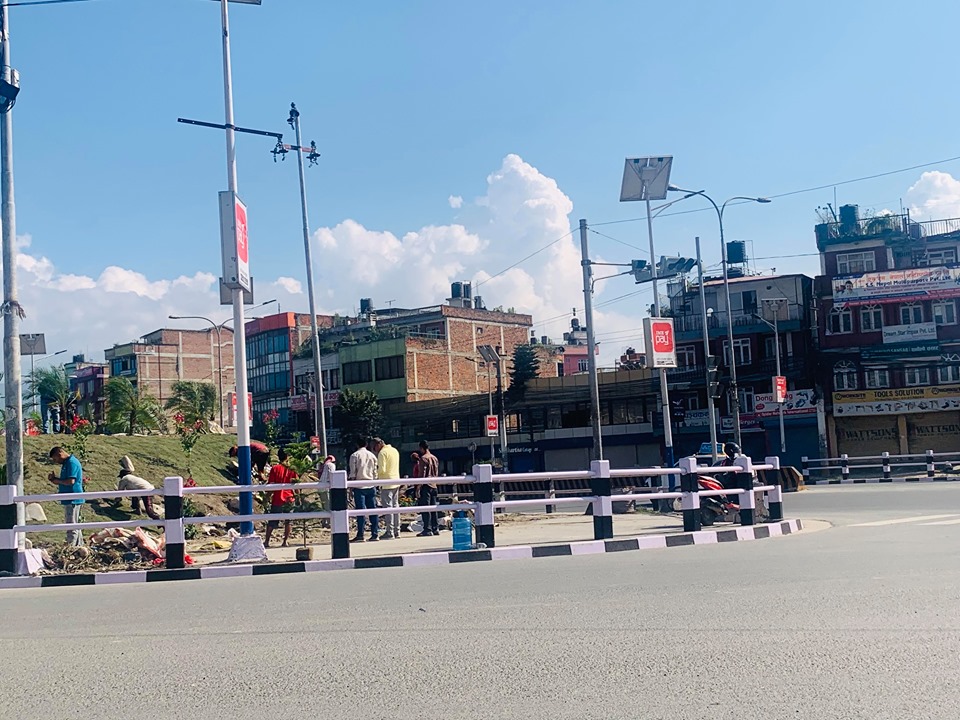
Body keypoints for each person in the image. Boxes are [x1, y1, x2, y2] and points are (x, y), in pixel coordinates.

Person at [48, 446, 84, 547]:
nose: (56, 462)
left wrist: (57, 480)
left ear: (60, 454)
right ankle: (79, 546)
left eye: (56, 459)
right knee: (74, 524)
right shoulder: (67, 463)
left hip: (72, 498)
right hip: (70, 498)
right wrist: (55, 479)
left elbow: (71, 481)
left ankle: (70, 547)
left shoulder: (71, 463)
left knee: (71, 526)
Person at [264, 447, 297, 548]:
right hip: (289, 497)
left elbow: (271, 485)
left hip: (278, 498)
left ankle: (267, 541)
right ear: (287, 456)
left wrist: (267, 497)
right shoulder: (292, 469)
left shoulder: (275, 468)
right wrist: (298, 496)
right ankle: (285, 541)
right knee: (289, 521)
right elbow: (296, 484)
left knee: (272, 520)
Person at [348, 438, 379, 542]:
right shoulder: (372, 455)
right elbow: (375, 472)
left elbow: (353, 473)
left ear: (357, 445)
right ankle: (375, 534)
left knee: (360, 511)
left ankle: (360, 534)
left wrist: (351, 488)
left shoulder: (354, 455)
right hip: (371, 485)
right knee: (373, 510)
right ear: (366, 445)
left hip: (359, 486)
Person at [372, 437, 401, 539]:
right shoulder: (394, 450)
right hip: (396, 480)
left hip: (386, 482)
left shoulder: (382, 453)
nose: (375, 450)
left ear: (378, 444)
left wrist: (375, 476)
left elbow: (382, 470)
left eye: (374, 447)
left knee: (388, 508)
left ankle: (390, 532)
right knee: (395, 506)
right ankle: (397, 531)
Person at [116, 456, 160, 520]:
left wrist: (117, 500)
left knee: (149, 511)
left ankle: (160, 521)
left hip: (146, 491)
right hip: (149, 489)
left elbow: (119, 492)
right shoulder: (132, 478)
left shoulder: (124, 479)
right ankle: (137, 510)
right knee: (135, 496)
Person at [416, 440, 440, 537]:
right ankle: (435, 528)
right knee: (434, 508)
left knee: (426, 508)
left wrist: (418, 487)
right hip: (434, 485)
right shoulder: (434, 458)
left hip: (426, 485)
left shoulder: (423, 458)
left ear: (422, 448)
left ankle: (427, 529)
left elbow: (422, 474)